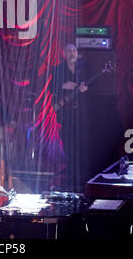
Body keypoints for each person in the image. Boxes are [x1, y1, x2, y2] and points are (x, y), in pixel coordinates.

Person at [52, 43, 89, 192]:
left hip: (82, 115)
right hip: (66, 115)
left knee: (83, 145)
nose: (72, 53)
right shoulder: (58, 70)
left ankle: (82, 181)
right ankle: (70, 180)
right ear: (64, 53)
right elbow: (50, 88)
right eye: (69, 51)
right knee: (68, 145)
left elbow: (95, 87)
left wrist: (86, 89)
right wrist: (63, 86)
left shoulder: (84, 68)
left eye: (74, 50)